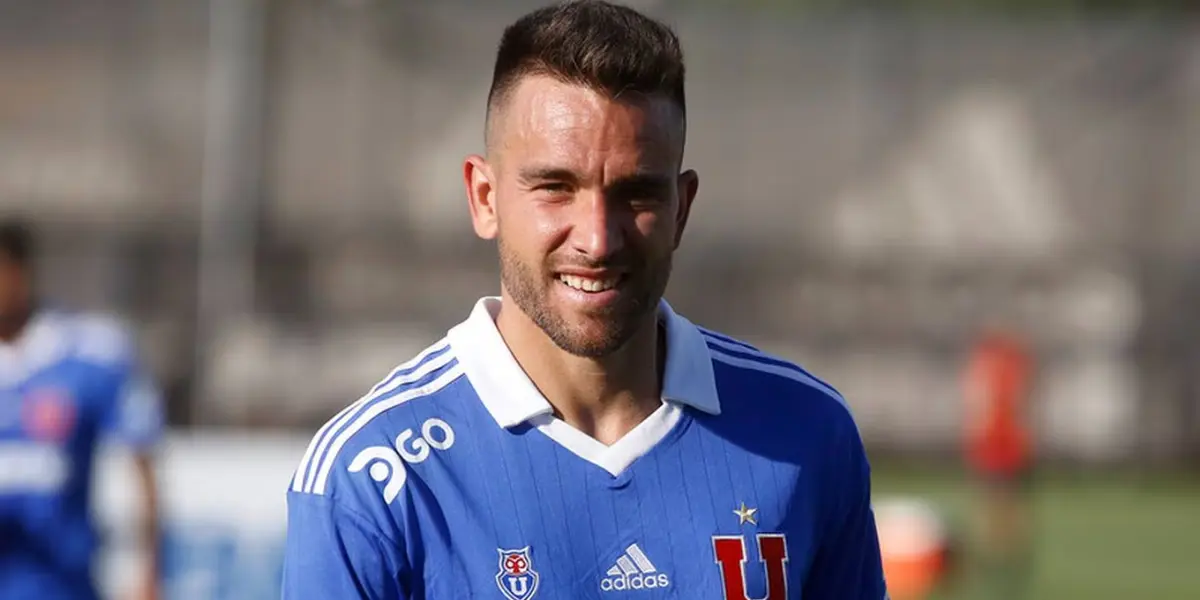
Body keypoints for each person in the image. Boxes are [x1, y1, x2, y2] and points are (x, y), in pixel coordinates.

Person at [282, 1, 887, 598]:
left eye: (636, 194)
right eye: (555, 187)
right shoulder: (372, 476)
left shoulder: (808, 433)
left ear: (682, 209)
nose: (598, 238)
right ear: (485, 197)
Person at [0, 219, 164, 600]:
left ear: (21, 272)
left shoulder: (91, 353)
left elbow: (141, 460)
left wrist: (148, 571)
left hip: (63, 586)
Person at [962, 326, 1035, 600]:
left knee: (990, 505)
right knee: (1009, 505)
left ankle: (991, 557)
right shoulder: (1014, 361)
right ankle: (1007, 557)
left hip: (994, 443)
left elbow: (978, 406)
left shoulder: (984, 362)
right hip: (1012, 443)